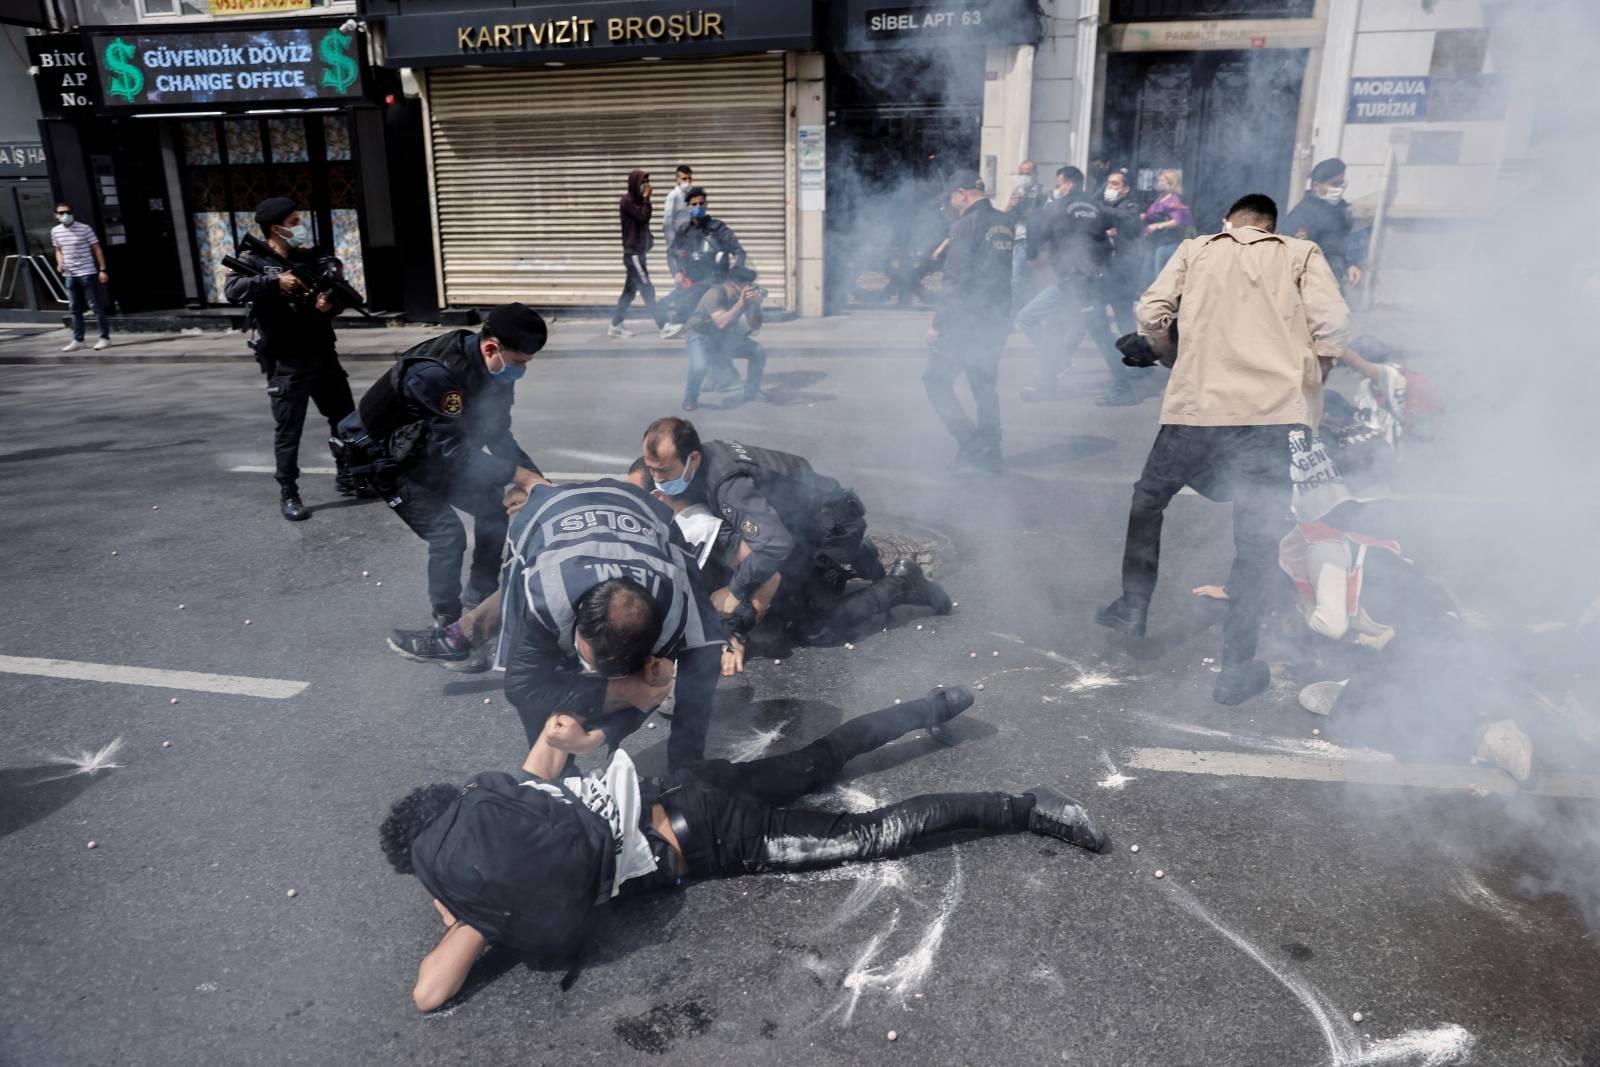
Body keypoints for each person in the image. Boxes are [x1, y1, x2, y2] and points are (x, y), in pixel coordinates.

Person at [380, 686, 1112, 1012]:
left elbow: (428, 993)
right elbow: (549, 739)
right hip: (691, 788)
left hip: (716, 841)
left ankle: (1025, 806)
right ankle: (933, 705)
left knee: (872, 833)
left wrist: (459, 912)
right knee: (821, 758)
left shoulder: (484, 888)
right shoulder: (506, 797)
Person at [1096, 193, 1349, 705]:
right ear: (1271, 226)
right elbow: (1333, 325)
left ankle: (1134, 604)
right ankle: (1234, 672)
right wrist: (1313, 377)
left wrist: (1164, 350)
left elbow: (1152, 311)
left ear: (1227, 222)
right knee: (1255, 547)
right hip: (1272, 420)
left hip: (1198, 413)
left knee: (1148, 501)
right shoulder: (1301, 253)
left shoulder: (1197, 249)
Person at [335, 304, 548, 663]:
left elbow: (498, 436)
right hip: (391, 460)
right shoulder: (436, 376)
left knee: (494, 514)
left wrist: (536, 482)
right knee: (448, 535)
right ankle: (448, 626)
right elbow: (453, 450)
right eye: (520, 362)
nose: (521, 370)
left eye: (527, 362)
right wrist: (520, 476)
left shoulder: (495, 375)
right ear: (491, 348)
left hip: (432, 451)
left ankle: (478, 599)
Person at [640, 417, 953, 647]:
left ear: (692, 458)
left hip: (831, 529)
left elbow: (774, 546)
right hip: (803, 523)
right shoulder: (701, 461)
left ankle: (902, 582)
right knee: (774, 605)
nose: (657, 478)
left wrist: (734, 590)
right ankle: (856, 558)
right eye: (651, 469)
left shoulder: (730, 487)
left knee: (814, 628)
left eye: (663, 471)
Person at [497, 477, 730, 768]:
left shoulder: (671, 611)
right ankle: (557, 777)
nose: (594, 673)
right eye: (592, 662)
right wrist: (619, 691)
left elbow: (648, 690)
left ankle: (686, 767)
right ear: (579, 617)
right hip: (550, 513)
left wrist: (599, 736)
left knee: (704, 652)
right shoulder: (546, 597)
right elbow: (523, 687)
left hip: (648, 515)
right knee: (542, 673)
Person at [224, 197, 356, 522]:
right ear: (276, 228)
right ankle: (289, 491)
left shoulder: (308, 258)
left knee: (344, 418)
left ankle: (348, 474)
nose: (300, 227)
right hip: (287, 360)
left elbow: (337, 292)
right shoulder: (253, 260)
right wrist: (274, 281)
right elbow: (233, 289)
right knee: (289, 429)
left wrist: (330, 304)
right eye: (295, 222)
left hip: (323, 352)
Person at [1016, 166, 1131, 406]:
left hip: (1078, 282)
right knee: (1050, 328)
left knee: (1098, 333)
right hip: (1085, 279)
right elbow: (1124, 224)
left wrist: (1033, 252)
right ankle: (1049, 385)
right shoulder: (1095, 206)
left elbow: (1037, 231)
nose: (1058, 189)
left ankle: (1124, 388)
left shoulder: (1058, 207)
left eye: (1059, 184)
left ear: (1068, 184)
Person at [923, 170, 1014, 473]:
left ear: (961, 193)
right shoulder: (1004, 222)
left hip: (967, 320)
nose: (952, 205)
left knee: (935, 381)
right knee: (984, 386)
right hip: (996, 317)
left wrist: (938, 323)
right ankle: (992, 453)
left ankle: (972, 445)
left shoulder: (965, 226)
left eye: (952, 198)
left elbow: (957, 280)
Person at [680, 265, 770, 411]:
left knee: (758, 351)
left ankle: (752, 391)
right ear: (730, 283)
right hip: (700, 336)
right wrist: (741, 303)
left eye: (750, 283)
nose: (749, 287)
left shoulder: (744, 298)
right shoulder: (714, 294)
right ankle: (690, 398)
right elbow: (721, 322)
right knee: (699, 366)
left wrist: (755, 305)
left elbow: (755, 326)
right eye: (744, 284)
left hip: (724, 337)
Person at [663, 185, 746, 345]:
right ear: (688, 207)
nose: (698, 207)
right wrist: (676, 272)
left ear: (706, 204)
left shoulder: (718, 228)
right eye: (694, 205)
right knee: (694, 330)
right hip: (692, 283)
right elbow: (671, 253)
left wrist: (733, 276)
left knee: (715, 333)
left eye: (701, 204)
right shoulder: (684, 230)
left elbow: (740, 252)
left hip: (715, 283)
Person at [1283, 158, 1363, 294]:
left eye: (1342, 184)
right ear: (1316, 186)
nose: (1340, 189)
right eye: (1335, 184)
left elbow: (1334, 247)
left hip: (1331, 283)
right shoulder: (1301, 217)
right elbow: (1295, 259)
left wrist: (1348, 265)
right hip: (1311, 289)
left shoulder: (1337, 210)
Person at [609, 169, 666, 338]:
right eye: (643, 181)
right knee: (647, 288)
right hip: (633, 254)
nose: (646, 185)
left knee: (629, 292)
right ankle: (663, 325)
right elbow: (643, 218)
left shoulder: (639, 201)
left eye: (647, 181)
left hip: (638, 253)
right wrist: (647, 199)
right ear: (635, 183)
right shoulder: (627, 201)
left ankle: (615, 325)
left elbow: (642, 224)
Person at [50, 201, 111, 353]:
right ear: (56, 216)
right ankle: (78, 340)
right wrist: (59, 263)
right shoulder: (55, 231)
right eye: (62, 213)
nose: (66, 215)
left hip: (87, 272)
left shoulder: (84, 228)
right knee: (74, 309)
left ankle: (105, 338)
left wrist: (102, 269)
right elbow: (58, 249)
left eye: (68, 212)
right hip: (69, 274)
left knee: (95, 306)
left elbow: (97, 249)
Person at [1100, 169, 1146, 336]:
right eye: (1109, 183)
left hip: (1124, 266)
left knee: (1122, 310)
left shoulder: (1130, 205)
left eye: (1115, 184)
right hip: (1107, 266)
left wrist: (1101, 209)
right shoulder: (1107, 207)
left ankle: (1135, 349)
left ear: (1125, 189)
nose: (1109, 187)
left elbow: (1126, 218)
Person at [1005, 160, 1048, 308]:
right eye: (1021, 173)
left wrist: (1028, 211)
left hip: (1035, 241)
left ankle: (1032, 309)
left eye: (1027, 173)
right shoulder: (1017, 191)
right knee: (1016, 279)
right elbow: (1006, 216)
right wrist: (1011, 205)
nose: (1023, 177)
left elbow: (1044, 216)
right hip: (1018, 239)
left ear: (1035, 174)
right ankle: (1016, 310)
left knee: (1036, 279)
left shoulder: (1043, 191)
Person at [1139, 170, 1192, 287]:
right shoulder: (1160, 198)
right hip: (1155, 242)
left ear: (1171, 183)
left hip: (1167, 242)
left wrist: (1157, 226)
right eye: (1158, 180)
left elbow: (1176, 221)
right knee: (1148, 273)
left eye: (1162, 181)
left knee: (1161, 274)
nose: (1159, 183)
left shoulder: (1174, 199)